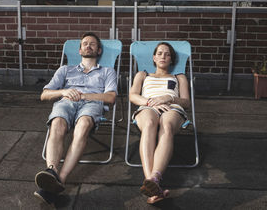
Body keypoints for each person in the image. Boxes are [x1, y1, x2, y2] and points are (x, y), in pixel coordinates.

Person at [34, 32, 117, 204]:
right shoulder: (65, 70)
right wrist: (63, 91)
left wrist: (86, 96)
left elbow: (110, 98)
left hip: (92, 103)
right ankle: (51, 171)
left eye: (92, 44)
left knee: (84, 124)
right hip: (67, 101)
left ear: (99, 50)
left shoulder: (108, 71)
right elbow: (44, 95)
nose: (88, 46)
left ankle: (60, 180)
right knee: (57, 123)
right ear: (79, 50)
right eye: (84, 43)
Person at [129, 42, 190, 204]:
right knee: (149, 124)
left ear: (171, 60)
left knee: (167, 125)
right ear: (154, 58)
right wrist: (150, 102)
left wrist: (168, 98)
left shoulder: (179, 77)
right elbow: (133, 96)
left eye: (167, 54)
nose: (163, 56)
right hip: (147, 106)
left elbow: (186, 102)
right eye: (160, 53)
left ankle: (153, 182)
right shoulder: (143, 75)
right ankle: (152, 182)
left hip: (172, 107)